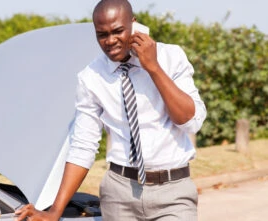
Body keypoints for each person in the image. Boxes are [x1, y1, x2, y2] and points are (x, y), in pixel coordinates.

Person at [15, 0, 206, 220]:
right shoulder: (91, 77)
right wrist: (55, 211)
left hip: (173, 194)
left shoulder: (171, 57)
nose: (110, 41)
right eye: (102, 34)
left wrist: (153, 67)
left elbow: (190, 122)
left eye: (118, 31)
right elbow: (83, 146)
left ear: (133, 25)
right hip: (119, 195)